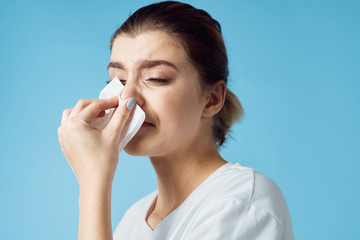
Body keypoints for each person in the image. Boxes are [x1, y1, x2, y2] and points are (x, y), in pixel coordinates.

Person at [58, 1, 294, 239]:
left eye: (156, 78)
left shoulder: (241, 203)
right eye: (118, 80)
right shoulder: (133, 219)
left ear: (212, 99)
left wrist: (93, 181)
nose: (127, 96)